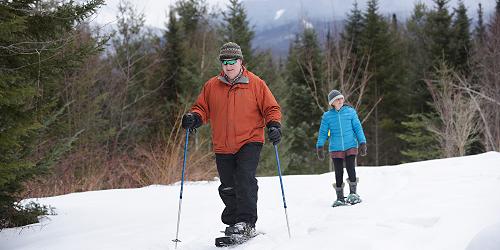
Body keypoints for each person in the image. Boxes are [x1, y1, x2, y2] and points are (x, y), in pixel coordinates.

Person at [181, 42, 282, 236]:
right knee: (227, 185)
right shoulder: (212, 86)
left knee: (244, 179)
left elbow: (271, 108)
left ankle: (246, 222)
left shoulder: (255, 83)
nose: (228, 65)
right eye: (224, 62)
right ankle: (234, 221)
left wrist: (274, 125)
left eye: (232, 61)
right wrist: (194, 118)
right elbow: (202, 108)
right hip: (223, 144)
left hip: (250, 140)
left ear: (240, 61)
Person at [316, 90, 367, 207]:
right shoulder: (327, 117)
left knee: (350, 168)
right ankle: (340, 197)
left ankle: (353, 193)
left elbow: (358, 128)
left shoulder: (350, 112)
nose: (340, 101)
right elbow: (323, 133)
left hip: (350, 145)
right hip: (336, 148)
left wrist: (362, 142)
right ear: (332, 103)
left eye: (341, 98)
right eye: (337, 99)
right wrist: (319, 146)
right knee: (338, 171)